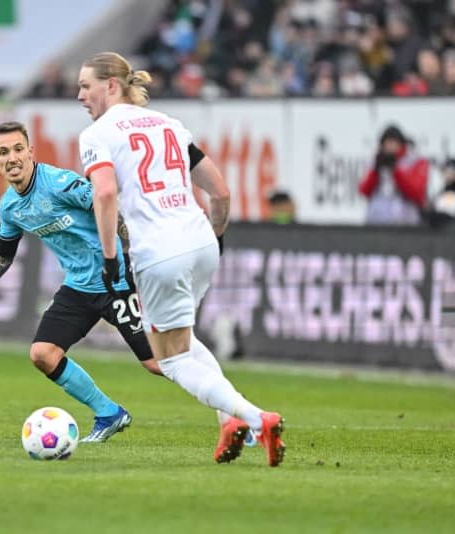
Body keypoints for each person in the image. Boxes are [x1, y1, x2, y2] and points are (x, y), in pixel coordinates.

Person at [77, 51, 285, 467]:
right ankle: (230, 421)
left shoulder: (97, 134)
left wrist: (109, 257)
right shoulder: (170, 124)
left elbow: (104, 194)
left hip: (159, 252)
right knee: (184, 342)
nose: (80, 95)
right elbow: (221, 193)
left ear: (111, 86)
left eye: (85, 86)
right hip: (200, 241)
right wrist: (218, 237)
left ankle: (256, 419)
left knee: (169, 358)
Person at [0, 121, 157, 443]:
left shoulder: (59, 183)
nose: (12, 158)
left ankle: (235, 412)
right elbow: (2, 257)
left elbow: (108, 206)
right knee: (43, 353)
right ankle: (108, 412)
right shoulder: (10, 207)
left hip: (117, 280)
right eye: (3, 152)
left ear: (30, 151)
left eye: (17, 149)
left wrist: (124, 259)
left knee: (156, 362)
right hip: (80, 287)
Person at [358, 125, 428, 225]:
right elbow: (364, 191)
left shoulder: (415, 161)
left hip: (406, 222)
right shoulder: (375, 162)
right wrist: (376, 171)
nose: (390, 146)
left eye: (394, 142)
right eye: (387, 143)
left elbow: (416, 193)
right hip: (377, 222)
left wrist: (395, 170)